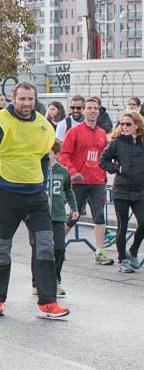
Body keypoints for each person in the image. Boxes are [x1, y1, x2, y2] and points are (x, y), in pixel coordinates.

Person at [0, 81, 69, 319]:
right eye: (22, 99)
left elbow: (45, 157)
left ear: (35, 100)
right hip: (7, 193)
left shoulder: (45, 125)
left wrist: (43, 184)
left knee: (46, 246)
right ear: (14, 98)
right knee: (1, 248)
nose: (26, 103)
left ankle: (48, 302)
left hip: (36, 196)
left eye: (30, 99)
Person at [59, 96, 114, 265]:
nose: (92, 111)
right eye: (89, 108)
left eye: (95, 108)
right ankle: (57, 245)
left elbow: (106, 157)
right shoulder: (74, 132)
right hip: (78, 182)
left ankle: (99, 252)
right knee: (74, 216)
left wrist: (112, 168)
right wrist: (73, 172)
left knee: (99, 216)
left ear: (99, 112)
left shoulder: (101, 134)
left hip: (97, 182)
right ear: (83, 111)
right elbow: (64, 155)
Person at [100, 110, 144, 273]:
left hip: (140, 190)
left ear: (137, 126)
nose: (124, 127)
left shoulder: (142, 142)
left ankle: (132, 252)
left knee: (143, 222)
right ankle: (122, 259)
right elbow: (103, 161)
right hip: (122, 190)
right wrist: (117, 168)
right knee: (122, 226)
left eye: (128, 124)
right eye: (122, 124)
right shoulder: (116, 142)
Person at [31, 141, 76, 294]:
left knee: (59, 248)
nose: (45, 156)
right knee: (38, 248)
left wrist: (74, 208)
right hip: (38, 215)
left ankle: (56, 279)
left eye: (48, 153)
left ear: (57, 155)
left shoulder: (63, 171)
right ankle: (36, 282)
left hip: (57, 215)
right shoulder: (35, 170)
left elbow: (69, 191)